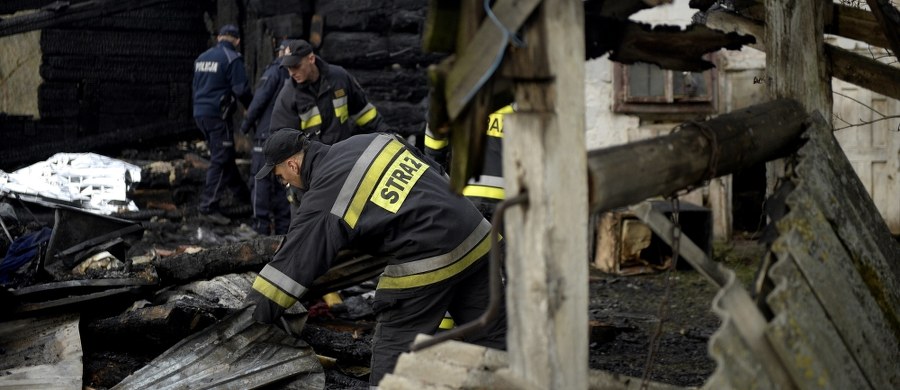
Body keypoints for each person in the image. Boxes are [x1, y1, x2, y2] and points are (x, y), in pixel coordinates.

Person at [247, 129, 507, 387]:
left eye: (282, 177)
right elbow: (434, 170)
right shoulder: (371, 141)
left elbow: (291, 265)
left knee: (392, 353)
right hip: (478, 235)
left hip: (430, 255)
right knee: (494, 341)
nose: (286, 184)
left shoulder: (326, 193)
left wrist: (247, 320)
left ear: (293, 164)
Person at [268, 39, 392, 144]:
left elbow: (364, 113)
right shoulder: (288, 96)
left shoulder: (340, 78)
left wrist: (389, 136)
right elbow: (281, 140)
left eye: (296, 66)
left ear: (311, 59)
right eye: (288, 68)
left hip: (343, 158)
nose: (291, 73)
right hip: (313, 167)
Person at [192, 24, 253, 218]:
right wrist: (251, 107)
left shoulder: (202, 58)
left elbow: (195, 86)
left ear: (219, 37)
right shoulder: (232, 58)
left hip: (200, 114)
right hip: (218, 116)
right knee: (220, 158)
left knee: (224, 155)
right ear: (237, 41)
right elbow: (241, 89)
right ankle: (208, 206)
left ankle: (243, 197)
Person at [424, 104, 515, 222]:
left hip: (464, 197)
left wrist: (439, 177)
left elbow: (434, 141)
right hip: (508, 197)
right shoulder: (520, 93)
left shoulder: (455, 95)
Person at [240, 40, 292, 235]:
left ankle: (260, 228)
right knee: (282, 181)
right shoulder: (295, 75)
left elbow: (259, 101)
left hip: (265, 136)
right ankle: (282, 229)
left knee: (259, 180)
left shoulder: (274, 72)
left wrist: (245, 127)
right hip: (286, 137)